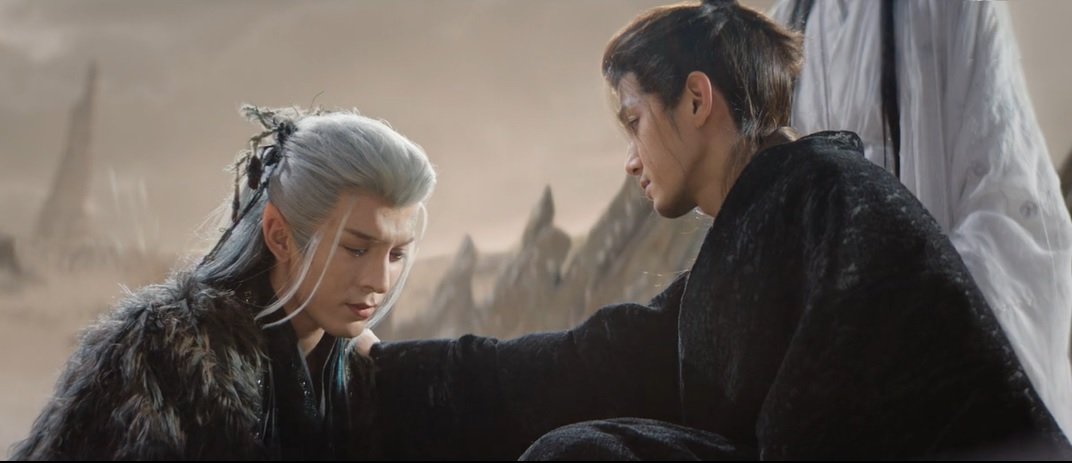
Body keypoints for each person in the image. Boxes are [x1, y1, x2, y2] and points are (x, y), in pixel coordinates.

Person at [353, 0, 1070, 459]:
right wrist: (390, 375)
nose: (630, 160)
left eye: (634, 121)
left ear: (697, 99)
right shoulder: (770, 221)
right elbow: (594, 359)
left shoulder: (830, 199)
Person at [10, 105, 436, 459]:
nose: (380, 281)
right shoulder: (160, 355)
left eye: (396, 255)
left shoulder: (353, 369)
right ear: (280, 236)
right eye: (356, 249)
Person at [768, 0, 1072, 438]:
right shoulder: (781, 27)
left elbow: (1006, 202)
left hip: (936, 358)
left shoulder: (949, 7)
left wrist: (904, 324)